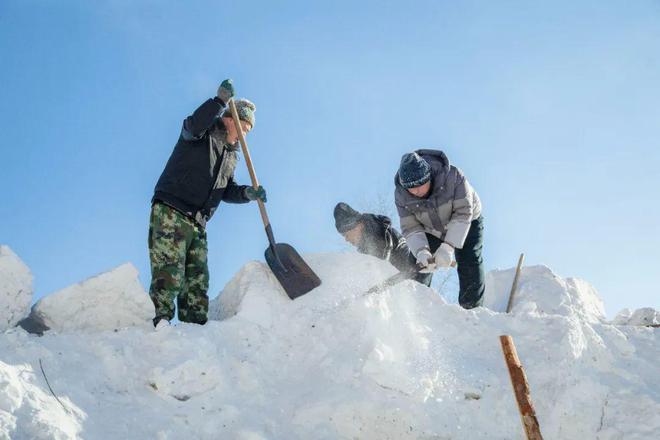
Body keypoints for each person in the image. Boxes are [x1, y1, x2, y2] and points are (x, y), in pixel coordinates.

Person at [148, 79, 267, 329]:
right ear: (231, 120)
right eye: (245, 128)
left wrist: (248, 193)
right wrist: (219, 101)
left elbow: (226, 189)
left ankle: (195, 330)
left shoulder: (230, 155)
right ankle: (161, 323)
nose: (245, 136)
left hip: (199, 221)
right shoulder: (204, 131)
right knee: (169, 271)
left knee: (197, 279)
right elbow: (191, 126)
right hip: (173, 208)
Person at [394, 149, 484, 309]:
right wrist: (421, 251)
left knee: (469, 259)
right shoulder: (402, 196)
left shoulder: (454, 177)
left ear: (428, 176)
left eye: (420, 185)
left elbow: (463, 212)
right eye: (411, 188)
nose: (416, 192)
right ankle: (417, 307)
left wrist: (448, 246)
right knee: (417, 263)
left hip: (466, 219)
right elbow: (411, 227)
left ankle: (472, 308)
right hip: (432, 227)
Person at [333, 202, 428, 284]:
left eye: (346, 234)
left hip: (414, 277)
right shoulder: (366, 243)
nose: (346, 239)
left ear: (358, 226)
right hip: (401, 283)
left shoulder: (376, 231)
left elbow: (382, 262)